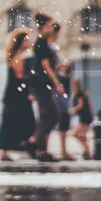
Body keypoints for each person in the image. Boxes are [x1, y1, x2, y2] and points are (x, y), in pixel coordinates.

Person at [26, 13, 63, 162]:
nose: (51, 28)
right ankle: (34, 142)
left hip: (40, 82)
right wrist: (57, 83)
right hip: (42, 83)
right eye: (49, 25)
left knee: (46, 115)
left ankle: (40, 149)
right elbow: (45, 65)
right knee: (52, 114)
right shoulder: (41, 42)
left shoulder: (41, 42)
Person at [0, 29, 36, 162]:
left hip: (14, 94)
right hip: (17, 95)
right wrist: (30, 91)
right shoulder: (19, 57)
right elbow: (21, 78)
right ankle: (24, 148)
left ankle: (9, 150)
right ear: (20, 42)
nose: (29, 41)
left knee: (11, 121)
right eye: (26, 39)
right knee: (21, 121)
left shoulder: (17, 56)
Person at [66, 78, 93, 161]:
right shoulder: (83, 92)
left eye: (72, 84)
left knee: (77, 134)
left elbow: (80, 105)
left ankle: (88, 151)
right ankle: (87, 151)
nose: (71, 86)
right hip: (86, 116)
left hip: (84, 117)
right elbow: (90, 104)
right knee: (81, 135)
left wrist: (72, 110)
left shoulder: (78, 93)